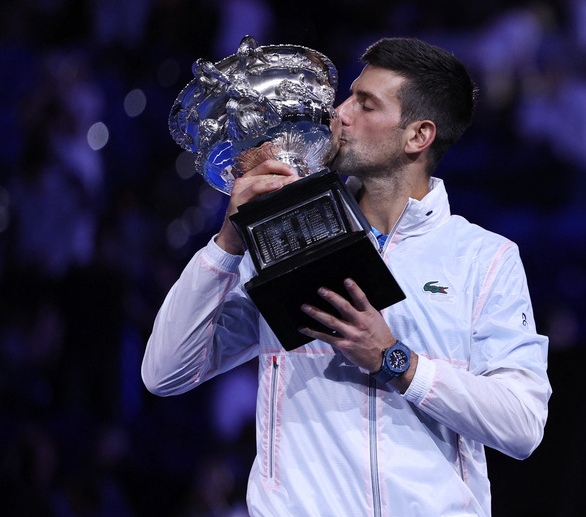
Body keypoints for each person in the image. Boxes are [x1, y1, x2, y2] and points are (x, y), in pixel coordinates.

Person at [142, 37, 551, 516]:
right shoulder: (282, 239)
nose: (339, 113)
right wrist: (229, 244)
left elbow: (521, 425)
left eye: (366, 104)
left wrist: (396, 361)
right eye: (348, 95)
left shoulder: (484, 259)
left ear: (417, 136)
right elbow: (164, 373)